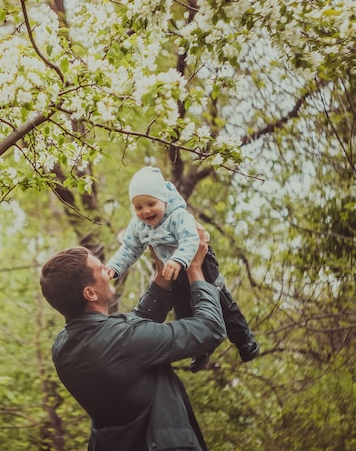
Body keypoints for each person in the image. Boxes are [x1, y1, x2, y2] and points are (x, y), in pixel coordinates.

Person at [40, 228, 225, 450]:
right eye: (100, 269)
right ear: (90, 293)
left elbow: (134, 330)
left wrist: (160, 274)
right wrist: (195, 269)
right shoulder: (124, 340)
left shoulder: (62, 348)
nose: (108, 271)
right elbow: (210, 328)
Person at [105, 166, 259, 372]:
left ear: (164, 199)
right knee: (183, 309)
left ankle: (244, 339)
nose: (146, 211)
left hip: (198, 261)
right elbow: (129, 249)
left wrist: (178, 261)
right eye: (138, 207)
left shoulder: (178, 216)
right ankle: (200, 350)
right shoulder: (137, 226)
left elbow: (190, 239)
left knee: (219, 299)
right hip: (172, 271)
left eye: (151, 204)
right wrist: (113, 268)